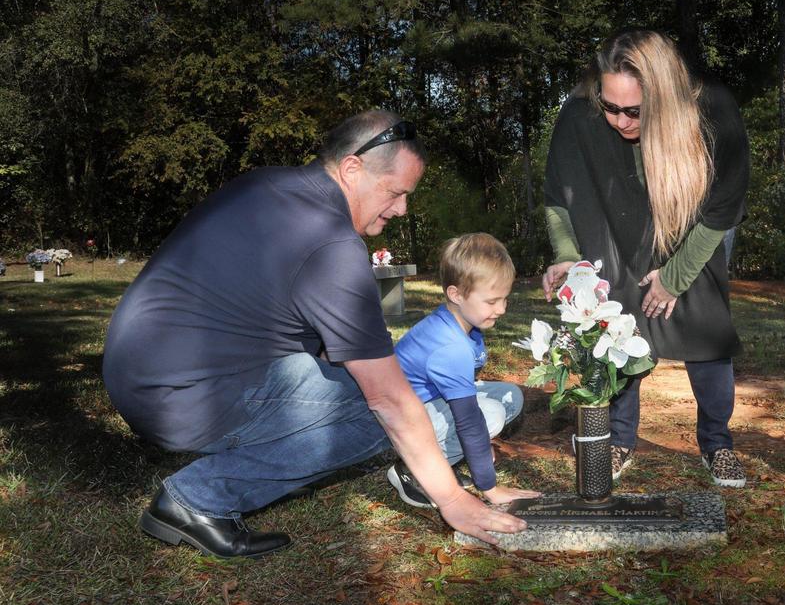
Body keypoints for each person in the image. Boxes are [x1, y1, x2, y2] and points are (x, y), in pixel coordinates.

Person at [103, 109, 526, 558]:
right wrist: (453, 499)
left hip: (135, 373)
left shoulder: (263, 184)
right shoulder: (333, 245)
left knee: (370, 397)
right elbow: (388, 400)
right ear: (352, 168)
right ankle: (198, 499)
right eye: (396, 192)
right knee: (382, 415)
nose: (403, 208)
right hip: (186, 396)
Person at [542, 29, 750, 488]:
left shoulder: (712, 110)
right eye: (609, 106)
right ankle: (619, 437)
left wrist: (675, 276)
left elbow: (724, 205)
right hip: (613, 228)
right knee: (617, 320)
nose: (618, 120)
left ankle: (717, 443)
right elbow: (560, 194)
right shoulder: (579, 115)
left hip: (694, 227)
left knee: (703, 321)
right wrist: (569, 257)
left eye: (633, 111)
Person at [391, 233, 542, 508]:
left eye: (504, 299)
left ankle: (437, 458)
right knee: (490, 416)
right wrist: (490, 487)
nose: (501, 309)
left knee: (510, 396)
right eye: (492, 301)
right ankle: (415, 471)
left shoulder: (461, 321)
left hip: (424, 403)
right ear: (456, 294)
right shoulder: (451, 347)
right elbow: (469, 421)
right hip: (397, 422)